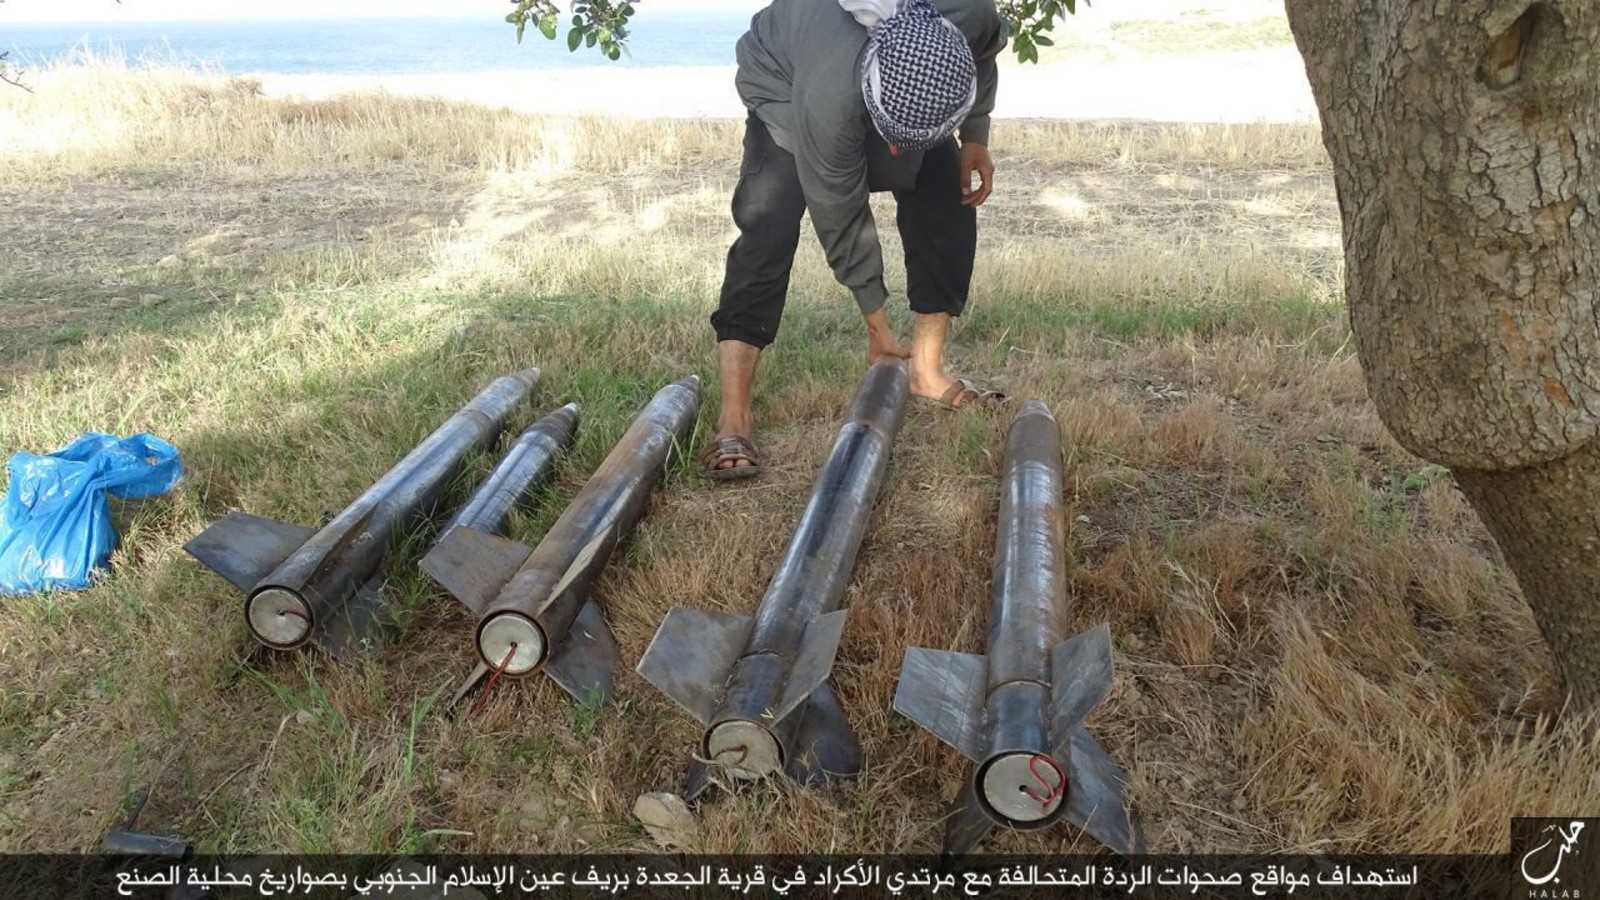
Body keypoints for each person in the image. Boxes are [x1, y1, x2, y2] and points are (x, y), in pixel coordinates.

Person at [700, 0, 1008, 480]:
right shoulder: (830, 93)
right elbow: (839, 210)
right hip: (785, 83)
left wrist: (974, 136)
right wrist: (876, 323)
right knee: (767, 226)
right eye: (895, 139)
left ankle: (926, 373)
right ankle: (733, 417)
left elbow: (983, 48)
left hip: (885, 76)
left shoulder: (966, 12)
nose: (896, 151)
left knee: (944, 193)